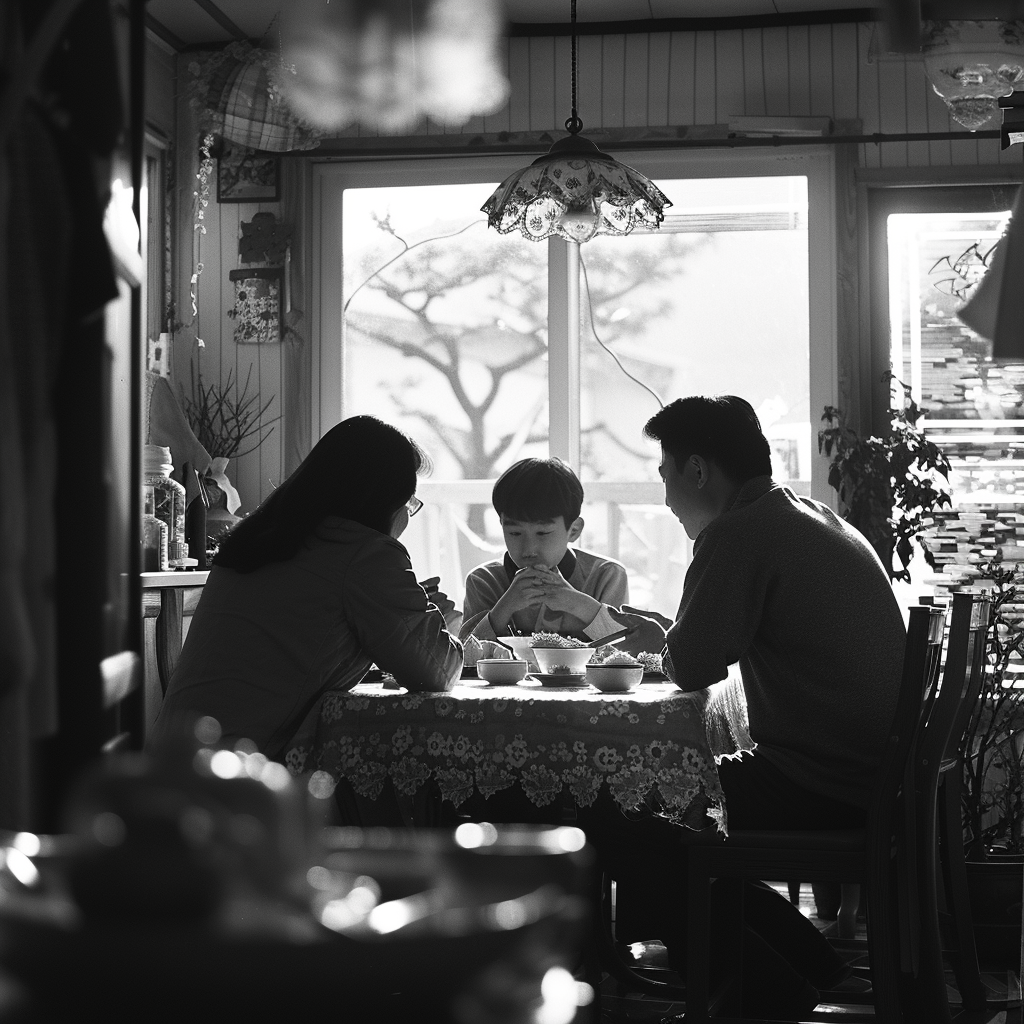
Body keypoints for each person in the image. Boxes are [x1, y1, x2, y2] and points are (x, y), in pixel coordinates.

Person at [578, 395, 907, 1017]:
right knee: (658, 809)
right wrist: (670, 639)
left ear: (698, 470)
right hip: (871, 772)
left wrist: (661, 642)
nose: (668, 500)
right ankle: (804, 965)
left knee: (619, 808)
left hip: (824, 778)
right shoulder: (806, 516)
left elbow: (696, 663)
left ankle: (760, 988)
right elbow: (707, 647)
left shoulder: (740, 531)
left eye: (666, 476)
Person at [149, 415, 463, 764]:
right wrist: (439, 621)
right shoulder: (366, 553)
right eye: (408, 502)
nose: (407, 514)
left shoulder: (261, 535)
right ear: (383, 498)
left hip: (170, 762)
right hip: (233, 780)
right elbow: (438, 671)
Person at [460, 457, 630, 644]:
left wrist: (577, 603)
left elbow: (628, 655)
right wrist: (505, 607)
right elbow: (464, 659)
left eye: (542, 533)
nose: (528, 549)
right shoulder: (484, 581)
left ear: (574, 530)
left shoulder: (606, 576)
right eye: (515, 533)